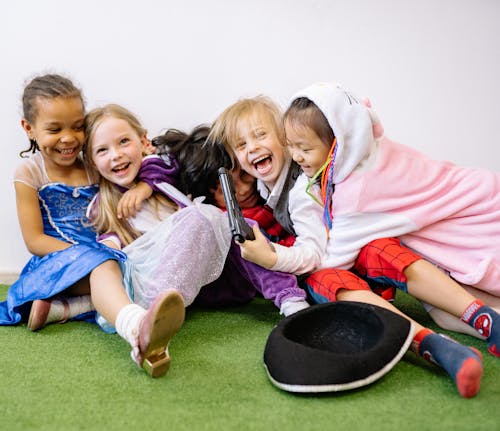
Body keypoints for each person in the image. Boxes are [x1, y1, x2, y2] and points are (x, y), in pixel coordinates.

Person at [208, 95, 492, 398]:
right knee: (387, 263)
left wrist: (272, 257)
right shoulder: (270, 186)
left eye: (260, 135)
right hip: (365, 257)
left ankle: (438, 341)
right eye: (241, 145)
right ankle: (474, 324)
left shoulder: (301, 190)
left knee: (327, 275)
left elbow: (315, 253)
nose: (251, 147)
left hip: (357, 257)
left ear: (285, 139)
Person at [0, 73, 185, 378]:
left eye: (77, 126)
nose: (68, 138)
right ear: (29, 129)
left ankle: (71, 307)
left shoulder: (94, 162)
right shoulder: (29, 172)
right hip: (55, 265)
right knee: (110, 269)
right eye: (54, 129)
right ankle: (135, 326)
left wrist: (145, 188)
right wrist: (87, 257)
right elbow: (34, 240)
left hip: (108, 258)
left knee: (126, 271)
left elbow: (153, 166)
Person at [83, 104, 309, 320]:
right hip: (161, 287)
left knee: (241, 224)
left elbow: (163, 163)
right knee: (200, 216)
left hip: (212, 276)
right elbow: (108, 245)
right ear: (92, 163)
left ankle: (291, 301)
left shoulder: (160, 176)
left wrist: (145, 186)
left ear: (144, 142)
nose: (116, 155)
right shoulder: (103, 206)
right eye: (102, 150)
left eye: (124, 142)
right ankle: (152, 314)